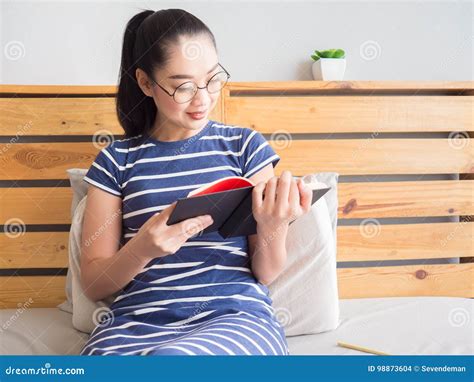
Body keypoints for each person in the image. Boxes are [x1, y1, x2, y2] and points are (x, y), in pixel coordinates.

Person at [79, 8, 312, 356]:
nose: (203, 99)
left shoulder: (245, 148)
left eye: (213, 79)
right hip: (135, 325)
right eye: (183, 87)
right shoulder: (116, 161)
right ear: (145, 82)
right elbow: (95, 285)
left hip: (233, 318)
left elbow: (266, 272)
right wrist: (141, 248)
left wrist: (272, 224)